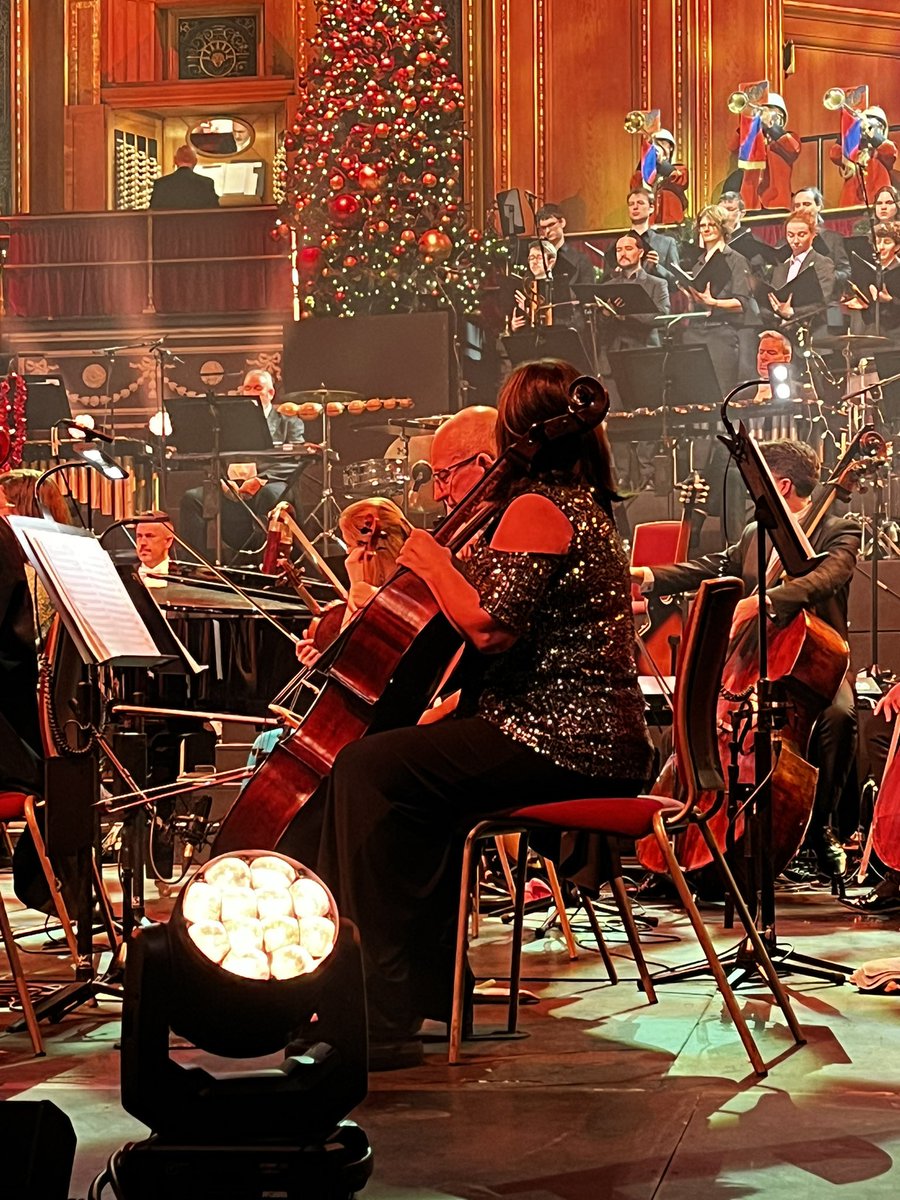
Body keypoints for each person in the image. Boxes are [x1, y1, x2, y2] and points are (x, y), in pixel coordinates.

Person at [278, 361, 653, 1068]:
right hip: (559, 728)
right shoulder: (567, 504)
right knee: (406, 772)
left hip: (564, 739)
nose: (442, 491)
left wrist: (432, 558)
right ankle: (427, 987)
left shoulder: (538, 507)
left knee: (367, 769)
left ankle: (377, 1015)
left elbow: (492, 629)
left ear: (511, 440)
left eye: (447, 474)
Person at [632, 438, 860, 880]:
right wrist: (650, 576)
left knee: (839, 718)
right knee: (700, 722)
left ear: (783, 484)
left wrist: (767, 601)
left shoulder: (839, 527)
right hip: (753, 664)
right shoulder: (757, 533)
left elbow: (829, 576)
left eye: (758, 484)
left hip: (810, 667)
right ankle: (687, 834)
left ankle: (820, 830)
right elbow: (716, 566)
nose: (750, 494)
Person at [178, 369, 306, 556]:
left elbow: (296, 459)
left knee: (270, 495)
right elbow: (214, 456)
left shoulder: (290, 423)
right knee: (192, 499)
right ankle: (194, 565)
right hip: (229, 486)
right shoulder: (228, 425)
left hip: (270, 483)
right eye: (247, 388)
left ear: (271, 393)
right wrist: (220, 480)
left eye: (258, 388)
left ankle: (268, 561)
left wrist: (261, 479)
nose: (252, 392)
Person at [680, 203, 760, 393]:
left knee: (722, 392)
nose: (706, 229)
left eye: (712, 224)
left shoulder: (735, 259)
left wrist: (714, 303)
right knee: (698, 392)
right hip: (698, 331)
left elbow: (743, 303)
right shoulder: (698, 264)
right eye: (703, 225)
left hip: (723, 333)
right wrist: (690, 298)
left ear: (722, 227)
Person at [766, 210, 836, 341]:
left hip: (812, 333)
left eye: (801, 235)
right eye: (790, 235)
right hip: (783, 334)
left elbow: (823, 300)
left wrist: (793, 312)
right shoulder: (781, 267)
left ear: (813, 234)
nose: (795, 241)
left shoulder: (822, 263)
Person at [727, 93, 800, 212]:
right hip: (750, 203)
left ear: (780, 116)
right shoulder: (751, 139)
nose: (762, 115)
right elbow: (733, 147)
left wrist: (772, 127)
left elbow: (793, 148)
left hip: (777, 203)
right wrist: (748, 123)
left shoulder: (788, 137)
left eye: (768, 111)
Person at [829, 106, 897, 209]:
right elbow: (835, 154)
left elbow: (890, 152)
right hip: (851, 203)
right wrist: (849, 128)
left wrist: (871, 133)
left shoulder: (882, 150)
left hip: (877, 204)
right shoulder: (853, 152)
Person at [844, 220, 900, 343]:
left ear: (897, 247)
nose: (880, 247)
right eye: (877, 242)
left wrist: (890, 300)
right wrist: (864, 305)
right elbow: (871, 314)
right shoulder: (868, 272)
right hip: (875, 337)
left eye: (887, 242)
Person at [790, 188, 850, 287]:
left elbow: (845, 271)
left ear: (818, 206)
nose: (801, 208)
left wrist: (829, 276)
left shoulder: (833, 239)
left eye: (806, 204)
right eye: (797, 205)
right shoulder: (785, 242)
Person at [628, 129, 690, 225]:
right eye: (654, 144)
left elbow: (679, 179)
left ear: (671, 147)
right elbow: (635, 190)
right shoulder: (640, 175)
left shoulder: (680, 169)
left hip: (673, 224)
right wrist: (647, 161)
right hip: (648, 225)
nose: (658, 147)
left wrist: (661, 162)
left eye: (662, 142)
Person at [626, 188, 681, 286]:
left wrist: (657, 268)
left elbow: (676, 283)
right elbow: (605, 283)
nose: (635, 207)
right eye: (631, 204)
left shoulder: (667, 243)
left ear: (651, 208)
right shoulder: (617, 245)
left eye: (640, 203)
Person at [534, 203, 597, 289]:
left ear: (562, 222)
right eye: (543, 228)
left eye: (551, 225)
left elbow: (588, 292)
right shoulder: (538, 257)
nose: (547, 231)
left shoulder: (580, 259)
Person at [149, 144, 219, 211]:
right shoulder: (207, 183)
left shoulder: (161, 184)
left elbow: (152, 214)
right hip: (199, 223)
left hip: (169, 223)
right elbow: (215, 214)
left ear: (175, 160)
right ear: (195, 161)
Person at [134, 510, 176, 585]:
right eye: (139, 536)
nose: (142, 543)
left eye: (149, 536)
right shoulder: (122, 577)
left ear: (168, 541)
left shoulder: (185, 579)